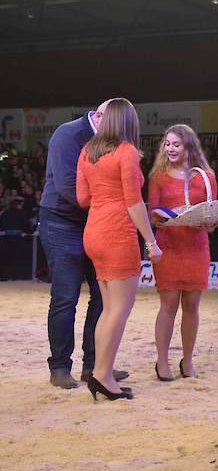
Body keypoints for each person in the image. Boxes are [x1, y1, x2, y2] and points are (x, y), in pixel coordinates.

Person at [38, 100, 130, 389]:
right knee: (66, 297)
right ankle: (60, 366)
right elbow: (67, 186)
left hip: (93, 222)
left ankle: (95, 365)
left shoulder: (108, 138)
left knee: (102, 298)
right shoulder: (67, 135)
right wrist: (109, 207)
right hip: (62, 221)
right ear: (99, 116)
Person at [77, 97, 162, 401]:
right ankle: (102, 375)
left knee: (107, 308)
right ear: (128, 121)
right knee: (119, 310)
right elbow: (134, 202)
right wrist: (151, 242)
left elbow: (83, 198)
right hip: (117, 233)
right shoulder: (126, 153)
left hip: (93, 231)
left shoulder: (87, 152)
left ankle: (102, 371)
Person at [147, 124, 218, 381]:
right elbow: (153, 214)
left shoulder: (206, 176)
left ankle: (187, 360)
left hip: (197, 247)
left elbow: (211, 213)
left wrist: (210, 223)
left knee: (192, 306)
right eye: (167, 144)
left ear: (188, 146)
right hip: (169, 246)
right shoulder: (158, 176)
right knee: (168, 306)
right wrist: (173, 216)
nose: (170, 149)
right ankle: (162, 362)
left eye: (176, 144)